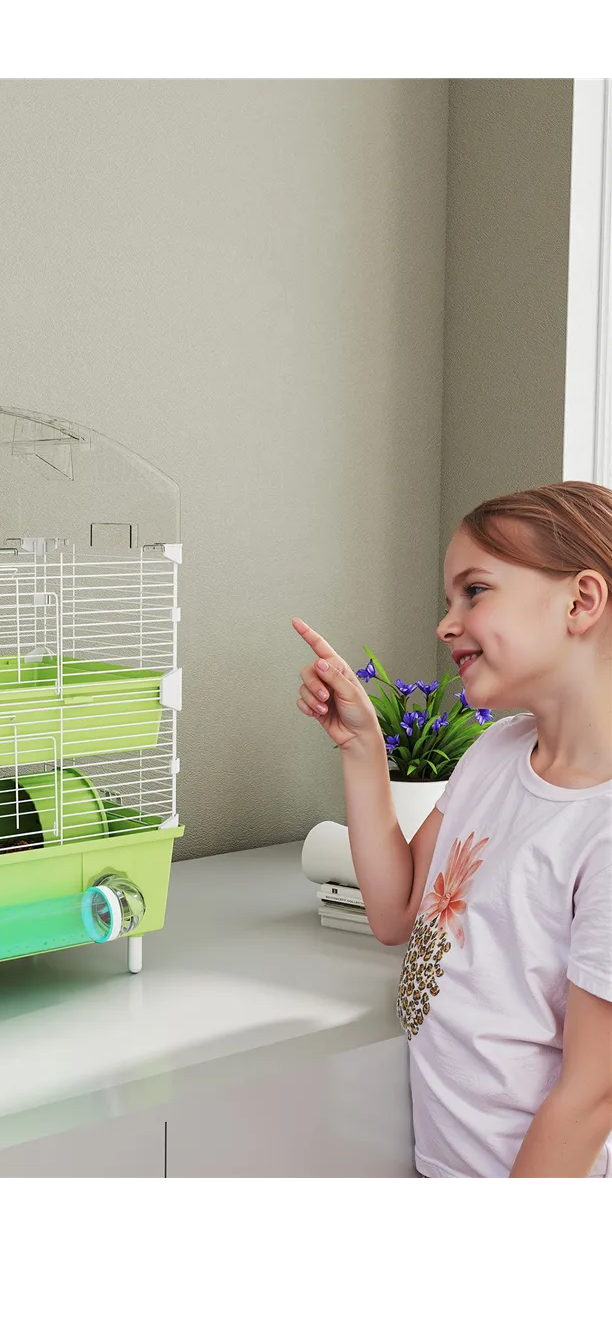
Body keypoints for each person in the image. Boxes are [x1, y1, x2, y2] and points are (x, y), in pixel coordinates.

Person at [293, 480, 612, 1181]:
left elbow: (591, 1099)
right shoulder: (497, 754)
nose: (445, 625)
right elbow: (396, 911)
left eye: (475, 591)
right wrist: (363, 747)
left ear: (581, 601)